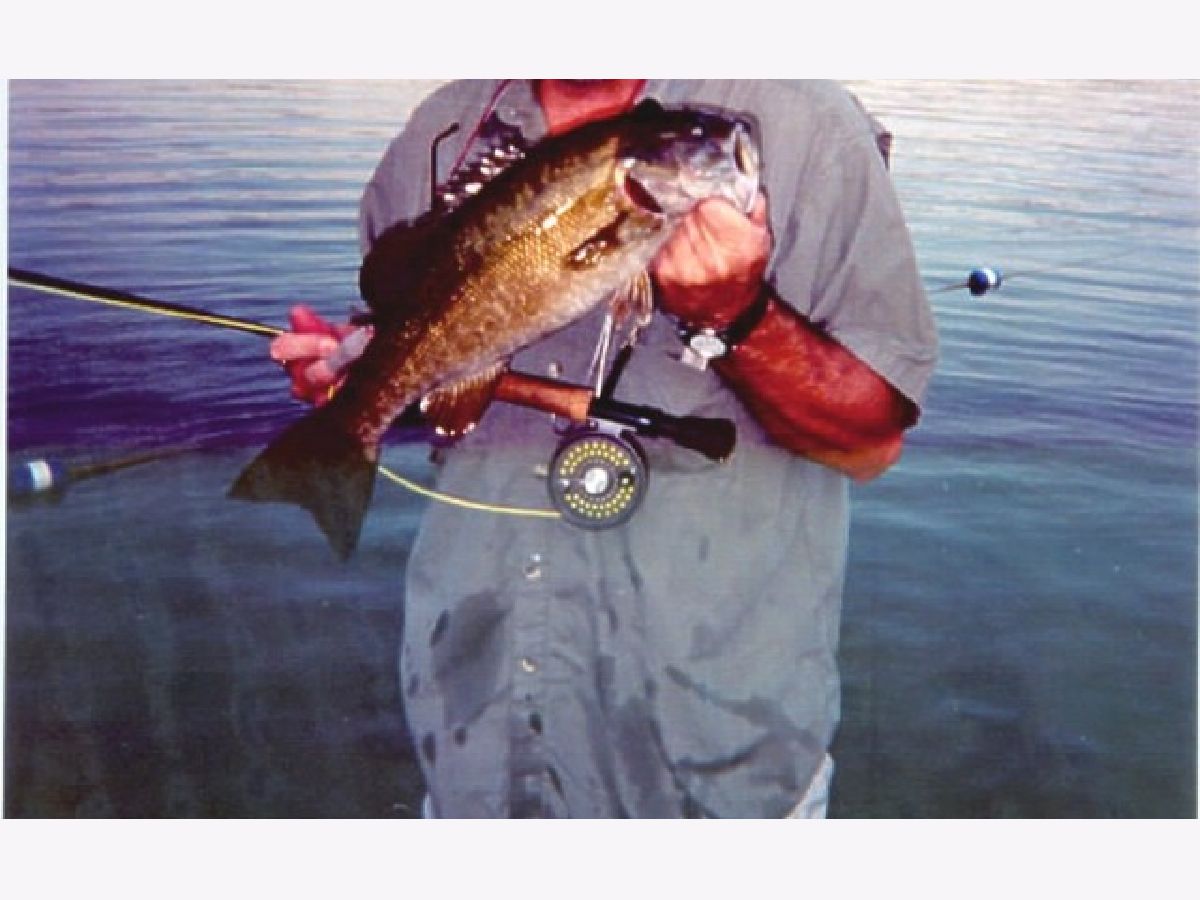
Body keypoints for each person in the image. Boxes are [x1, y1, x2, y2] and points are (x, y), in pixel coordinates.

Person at [271, 80, 937, 818]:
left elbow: (872, 444)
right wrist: (359, 370)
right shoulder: (444, 129)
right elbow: (428, 337)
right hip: (473, 752)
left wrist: (738, 315)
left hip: (712, 768)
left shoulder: (805, 124)